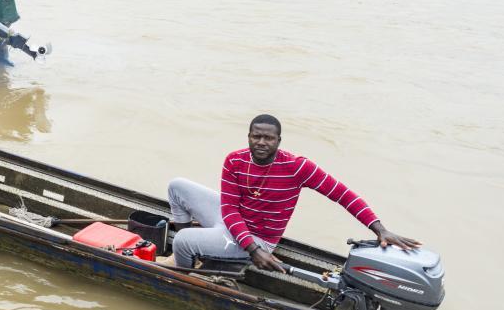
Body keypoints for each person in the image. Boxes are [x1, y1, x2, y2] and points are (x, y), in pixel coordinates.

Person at [167, 114, 420, 272]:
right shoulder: (234, 161)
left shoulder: (298, 167)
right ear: (249, 137)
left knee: (182, 241)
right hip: (234, 225)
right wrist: (251, 249)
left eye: (269, 138)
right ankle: (191, 258)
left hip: (259, 238)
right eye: (256, 137)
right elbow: (230, 210)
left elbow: (343, 194)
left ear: (279, 140)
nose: (262, 143)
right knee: (177, 186)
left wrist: (380, 229)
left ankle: (185, 273)